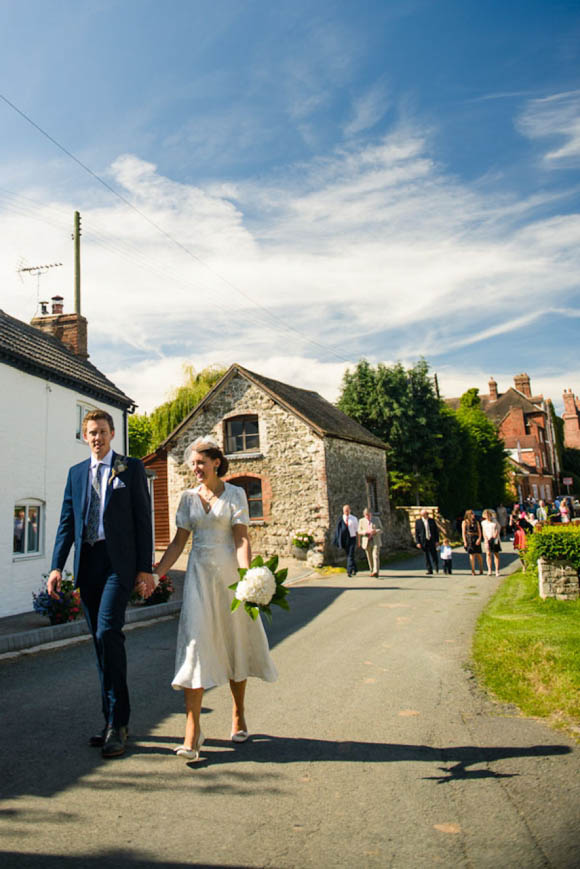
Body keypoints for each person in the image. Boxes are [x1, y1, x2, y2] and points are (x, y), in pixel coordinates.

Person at [154, 436, 277, 761]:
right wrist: (157, 574)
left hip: (228, 579)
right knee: (195, 645)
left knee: (235, 640)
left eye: (201, 463)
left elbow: (241, 540)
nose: (195, 468)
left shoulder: (235, 494)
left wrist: (248, 576)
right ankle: (192, 734)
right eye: (192, 463)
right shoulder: (187, 498)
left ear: (216, 463)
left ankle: (238, 712)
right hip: (198, 579)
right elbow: (179, 544)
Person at [47, 410, 155, 758]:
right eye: (91, 433)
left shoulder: (130, 468)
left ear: (112, 435)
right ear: (84, 436)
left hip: (117, 564)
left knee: (108, 632)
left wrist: (144, 568)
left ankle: (119, 722)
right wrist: (55, 568)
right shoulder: (76, 474)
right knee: (98, 641)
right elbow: (67, 523)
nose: (97, 438)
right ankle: (111, 720)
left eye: (103, 432)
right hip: (88, 565)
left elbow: (143, 519)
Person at [333, 504, 359, 577]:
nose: (346, 512)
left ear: (350, 510)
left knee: (350, 554)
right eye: (345, 511)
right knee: (349, 555)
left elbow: (357, 530)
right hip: (344, 539)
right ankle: (355, 569)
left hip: (352, 538)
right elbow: (338, 530)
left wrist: (359, 540)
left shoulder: (354, 518)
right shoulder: (341, 519)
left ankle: (349, 570)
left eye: (347, 510)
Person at [358, 507, 383, 577]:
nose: (367, 517)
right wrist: (365, 532)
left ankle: (376, 571)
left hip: (375, 540)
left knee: (375, 555)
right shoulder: (361, 521)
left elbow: (381, 529)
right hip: (367, 540)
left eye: (368, 515)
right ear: (364, 515)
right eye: (366, 515)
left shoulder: (376, 520)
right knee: (369, 556)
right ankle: (372, 570)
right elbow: (359, 531)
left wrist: (375, 531)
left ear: (371, 514)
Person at [414, 509, 439, 575]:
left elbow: (436, 531)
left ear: (427, 514)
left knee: (434, 554)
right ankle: (429, 569)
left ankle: (436, 567)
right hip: (423, 541)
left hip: (431, 540)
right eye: (422, 514)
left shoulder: (431, 521)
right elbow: (416, 533)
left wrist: (437, 541)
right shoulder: (418, 522)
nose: (424, 515)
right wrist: (418, 542)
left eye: (425, 514)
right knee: (426, 556)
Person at [462, 509, 483, 575]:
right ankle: (473, 570)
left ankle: (481, 569)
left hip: (476, 537)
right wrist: (465, 541)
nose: (473, 515)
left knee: (478, 554)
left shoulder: (476, 522)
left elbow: (479, 531)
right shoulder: (465, 522)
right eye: (472, 514)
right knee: (472, 554)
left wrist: (479, 538)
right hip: (469, 538)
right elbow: (463, 533)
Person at [481, 509, 501, 576]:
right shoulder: (483, 523)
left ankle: (497, 570)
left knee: (496, 554)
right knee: (488, 554)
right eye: (486, 515)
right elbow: (484, 531)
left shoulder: (494, 521)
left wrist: (496, 533)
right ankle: (489, 570)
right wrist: (485, 538)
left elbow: (499, 527)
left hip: (495, 539)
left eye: (488, 515)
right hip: (487, 539)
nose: (488, 516)